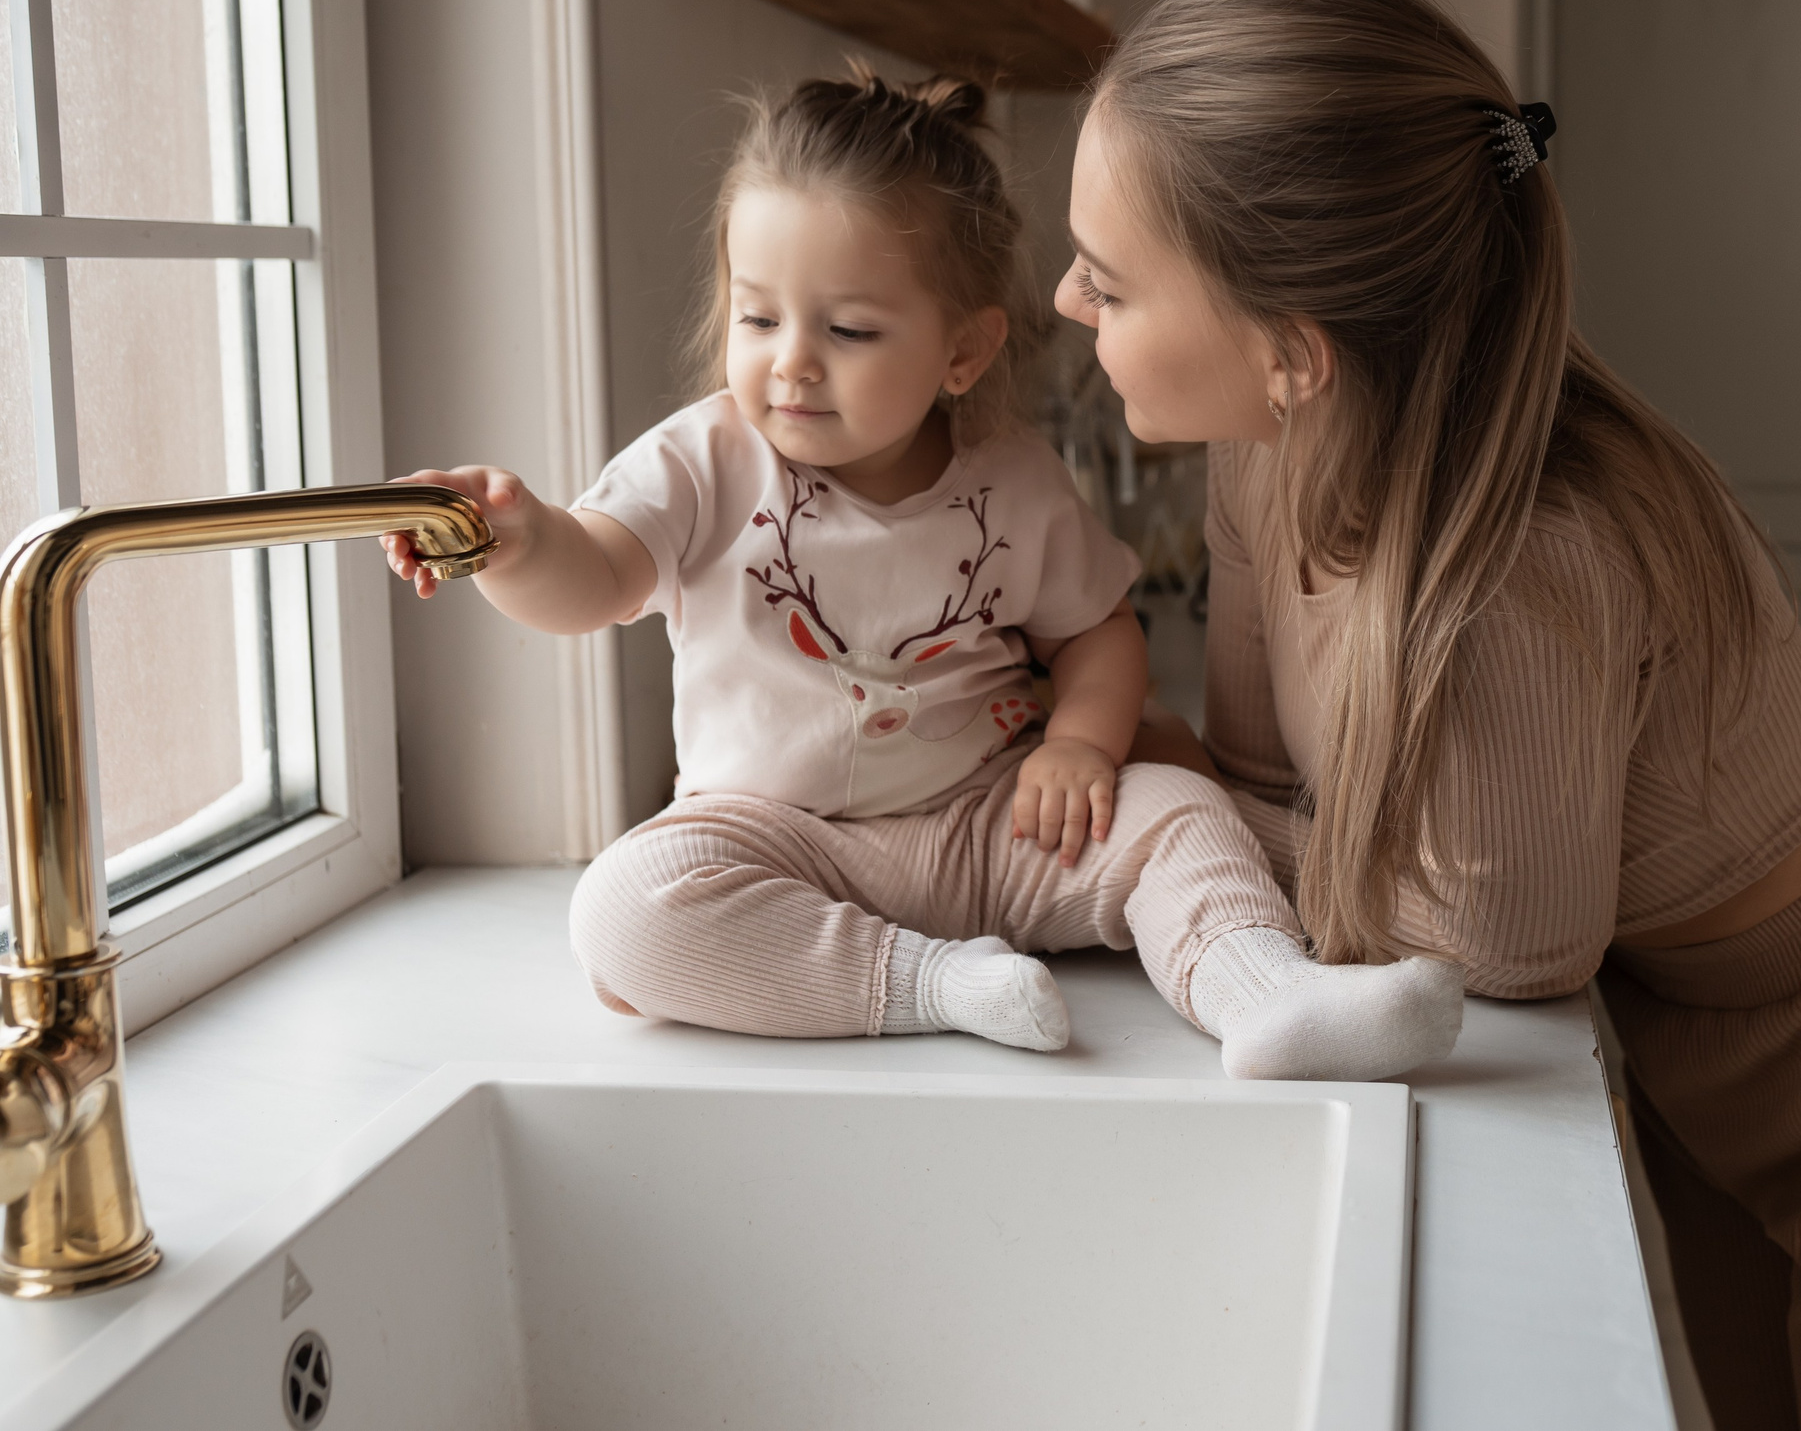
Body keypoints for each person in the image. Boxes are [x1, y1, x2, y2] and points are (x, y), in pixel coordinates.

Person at [1056, 0, 1801, 1431]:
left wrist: (1160, 816)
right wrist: (1182, 806)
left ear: (1293, 350)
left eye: (1107, 283)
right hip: (1711, 1054)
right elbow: (1260, 797)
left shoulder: (1522, 570)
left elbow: (1499, 946)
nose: (1062, 301)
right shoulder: (1266, 461)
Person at [379, 65, 1461, 1081]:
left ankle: (1263, 992)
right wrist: (515, 545)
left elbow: (1096, 631)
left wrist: (1080, 746)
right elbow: (596, 578)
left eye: (847, 328)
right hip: (781, 840)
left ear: (963, 351)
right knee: (621, 908)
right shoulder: (700, 461)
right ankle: (932, 984)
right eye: (757, 317)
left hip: (998, 824)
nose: (790, 358)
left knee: (1174, 805)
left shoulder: (1016, 482)